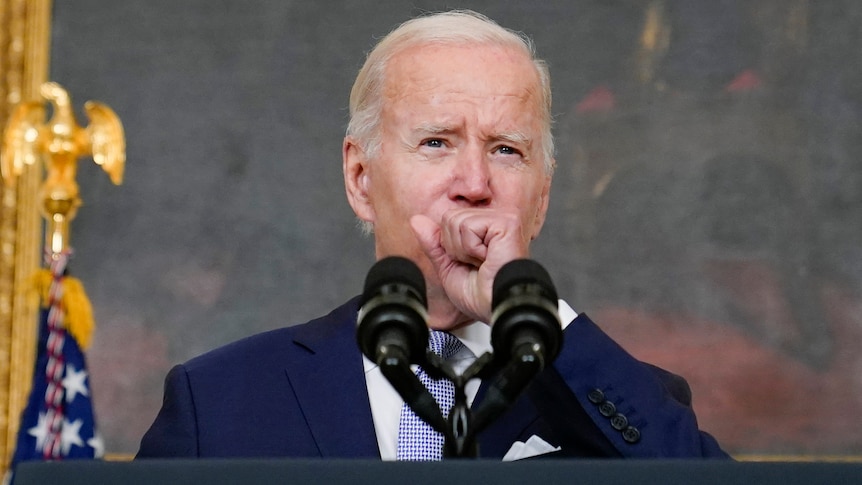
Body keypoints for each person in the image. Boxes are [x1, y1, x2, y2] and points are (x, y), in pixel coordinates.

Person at [137, 10, 728, 460]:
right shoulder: (217, 402)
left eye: (506, 150)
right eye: (436, 142)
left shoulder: (625, 397)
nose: (474, 183)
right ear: (361, 177)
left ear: (541, 198)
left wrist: (534, 313)